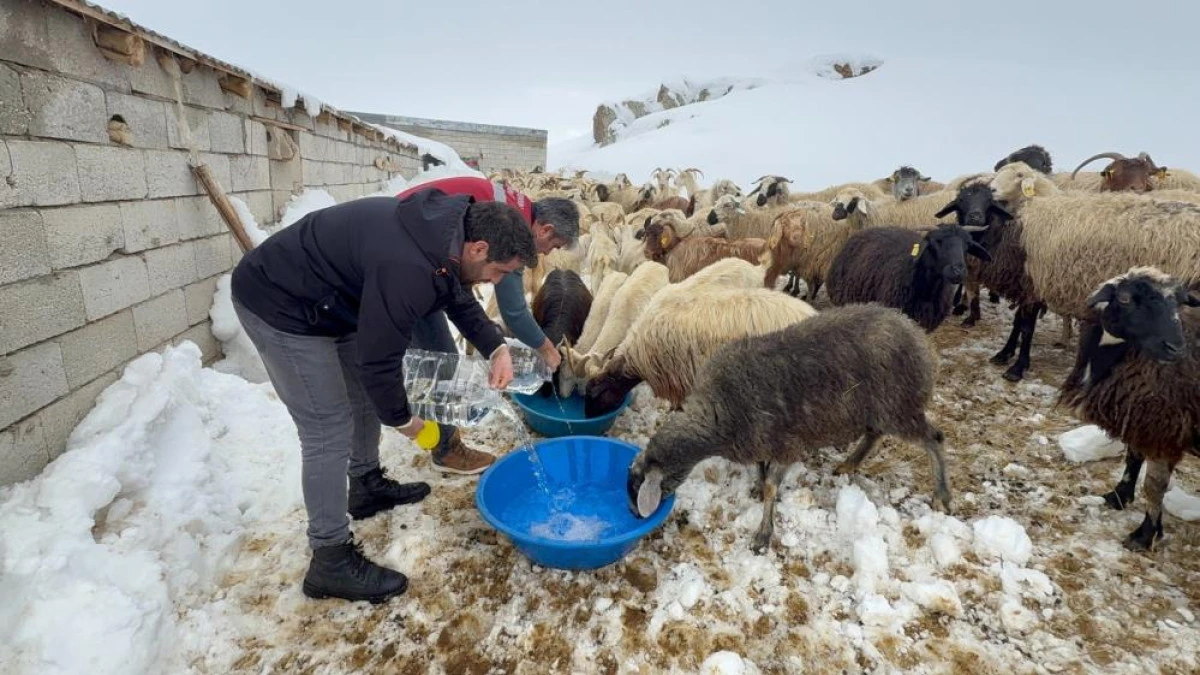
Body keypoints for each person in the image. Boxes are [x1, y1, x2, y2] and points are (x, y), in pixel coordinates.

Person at [230, 190, 538, 603]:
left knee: (359, 399)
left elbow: (456, 295)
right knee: (327, 427)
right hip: (282, 304)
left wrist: (496, 348)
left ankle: (365, 484)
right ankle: (330, 558)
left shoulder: (447, 233)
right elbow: (379, 361)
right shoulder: (407, 267)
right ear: (478, 247)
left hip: (333, 300)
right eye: (498, 271)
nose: (496, 281)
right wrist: (405, 421)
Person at [394, 176, 581, 475]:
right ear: (545, 229)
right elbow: (514, 311)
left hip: (408, 238)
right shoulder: (512, 229)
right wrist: (546, 349)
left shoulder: (513, 204)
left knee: (443, 342)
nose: (545, 255)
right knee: (441, 357)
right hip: (404, 259)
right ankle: (445, 449)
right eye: (553, 245)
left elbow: (462, 296)